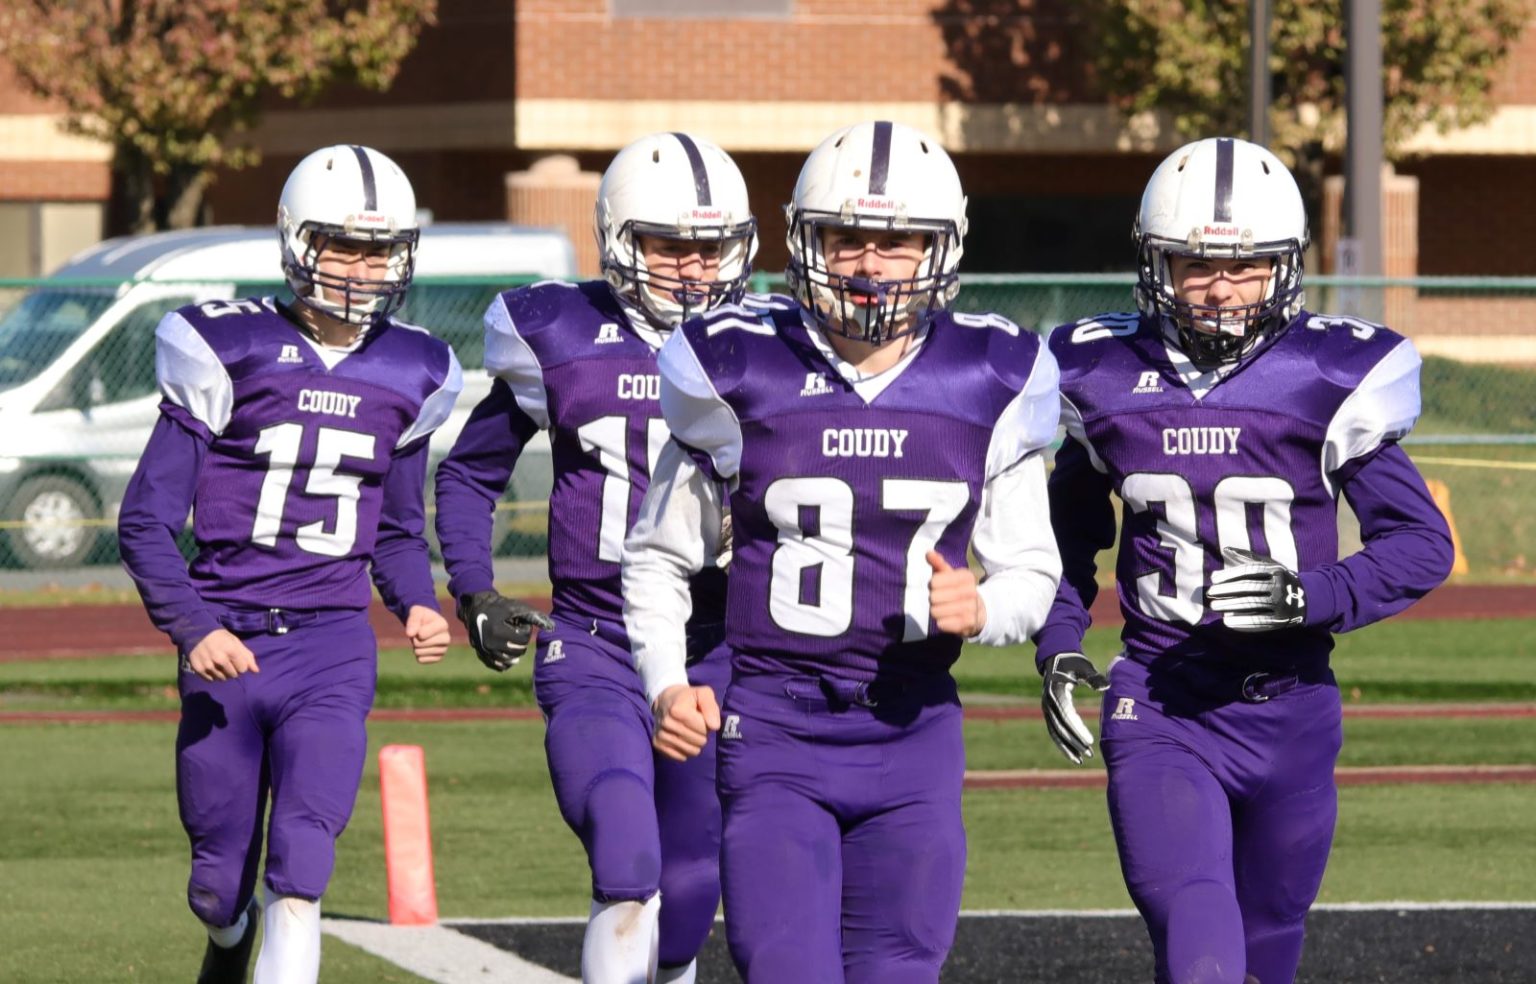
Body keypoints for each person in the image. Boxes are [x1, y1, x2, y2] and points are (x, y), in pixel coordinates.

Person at [622, 120, 1063, 983]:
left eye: (895, 243)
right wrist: (666, 680)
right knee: (784, 967)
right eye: (846, 238)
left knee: (900, 969)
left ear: (941, 249)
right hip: (777, 726)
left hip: (913, 727)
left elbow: (1033, 572)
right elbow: (657, 557)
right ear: (804, 243)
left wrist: (985, 608)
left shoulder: (993, 376)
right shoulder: (739, 367)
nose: (868, 264)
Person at [1033, 136, 1456, 984]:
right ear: (1157, 265)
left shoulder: (1322, 374)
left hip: (1293, 712)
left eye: (1247, 266)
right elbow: (1065, 538)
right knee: (1200, 948)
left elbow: (1420, 544)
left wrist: (1313, 596)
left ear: (1285, 267)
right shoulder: (1103, 374)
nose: (1222, 287)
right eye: (1196, 264)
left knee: (1264, 957)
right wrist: (1059, 637)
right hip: (1163, 705)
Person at [117, 144, 461, 984]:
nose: (361, 267)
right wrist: (194, 627)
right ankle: (225, 948)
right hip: (229, 639)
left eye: (378, 249)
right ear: (296, 242)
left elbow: (395, 526)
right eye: (342, 244)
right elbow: (144, 521)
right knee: (217, 884)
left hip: (335, 647)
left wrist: (416, 600)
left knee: (302, 868)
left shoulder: (415, 366)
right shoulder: (226, 344)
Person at [433, 131, 762, 984]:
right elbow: (469, 475)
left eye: (710, 247)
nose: (693, 268)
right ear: (619, 241)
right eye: (670, 246)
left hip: (718, 647)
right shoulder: (564, 333)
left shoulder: (773, 344)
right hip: (595, 641)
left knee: (689, 893)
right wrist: (474, 590)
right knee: (624, 850)